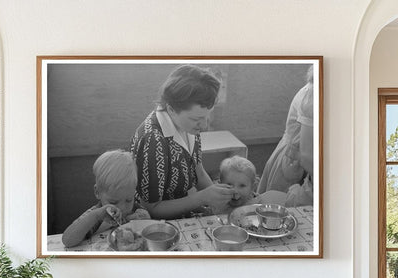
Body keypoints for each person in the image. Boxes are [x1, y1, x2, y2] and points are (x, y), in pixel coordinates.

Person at [130, 64, 234, 220]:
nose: (204, 125)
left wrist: (222, 198)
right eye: (197, 119)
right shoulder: (153, 140)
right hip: (153, 223)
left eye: (207, 116)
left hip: (183, 211)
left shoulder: (188, 126)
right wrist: (203, 197)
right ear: (171, 109)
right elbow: (152, 209)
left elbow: (198, 171)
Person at [62, 150, 150, 248]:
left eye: (129, 200)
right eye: (113, 202)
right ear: (97, 192)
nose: (122, 208)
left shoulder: (135, 210)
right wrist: (95, 216)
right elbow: (67, 240)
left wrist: (144, 219)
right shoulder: (97, 215)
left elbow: (149, 232)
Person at [257, 66, 314, 197]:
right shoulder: (312, 94)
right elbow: (307, 157)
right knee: (280, 206)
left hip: (306, 160)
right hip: (294, 160)